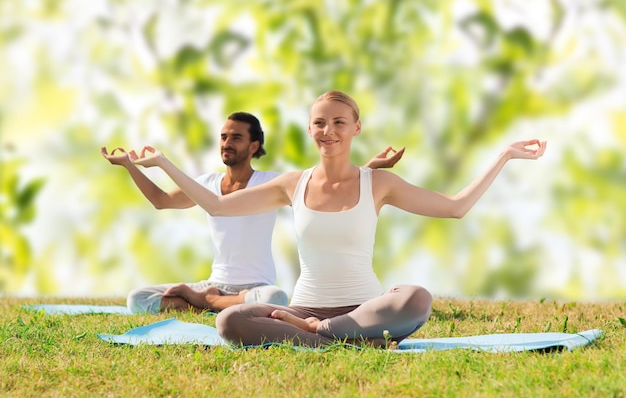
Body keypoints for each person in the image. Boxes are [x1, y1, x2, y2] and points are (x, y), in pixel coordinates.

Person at [131, 91, 547, 347]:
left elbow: (456, 207)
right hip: (304, 306)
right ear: (311, 130)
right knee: (229, 321)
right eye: (319, 122)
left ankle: (322, 333)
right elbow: (218, 206)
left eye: (338, 122)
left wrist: (504, 156)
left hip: (363, 307)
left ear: (355, 129)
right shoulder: (292, 184)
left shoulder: (378, 183)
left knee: (416, 297)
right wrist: (164, 163)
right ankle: (341, 338)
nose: (328, 130)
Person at [102, 111, 404, 314]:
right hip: (215, 283)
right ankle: (212, 300)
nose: (226, 143)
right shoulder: (207, 185)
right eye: (223, 137)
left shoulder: (270, 182)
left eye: (236, 137)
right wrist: (129, 165)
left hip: (255, 289)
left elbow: (326, 186)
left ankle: (204, 303)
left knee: (275, 300)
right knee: (137, 300)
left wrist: (370, 170)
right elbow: (160, 200)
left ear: (254, 145)